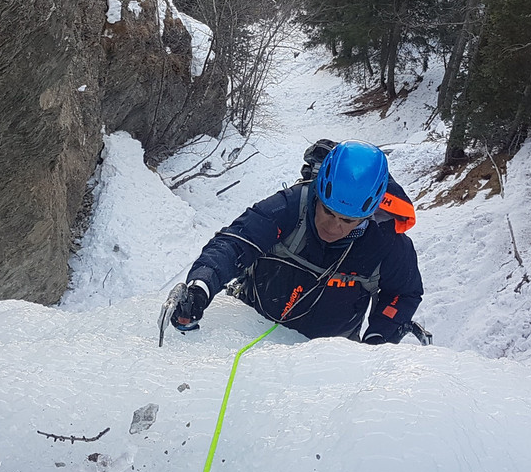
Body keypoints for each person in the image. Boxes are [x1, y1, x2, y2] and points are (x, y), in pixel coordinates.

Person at [170, 140, 425, 344]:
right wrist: (200, 286)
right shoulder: (291, 206)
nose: (334, 226)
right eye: (327, 211)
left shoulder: (386, 242)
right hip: (249, 330)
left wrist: (379, 337)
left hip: (327, 363)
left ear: (370, 214)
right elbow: (236, 242)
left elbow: (404, 293)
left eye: (348, 221)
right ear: (317, 193)